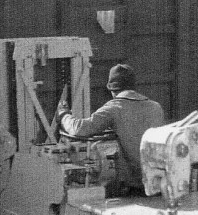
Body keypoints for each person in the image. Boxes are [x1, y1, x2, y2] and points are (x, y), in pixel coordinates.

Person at [55, 64, 164, 195]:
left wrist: (63, 115)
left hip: (134, 185)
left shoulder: (114, 108)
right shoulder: (156, 107)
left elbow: (80, 128)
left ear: (112, 89)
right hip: (158, 182)